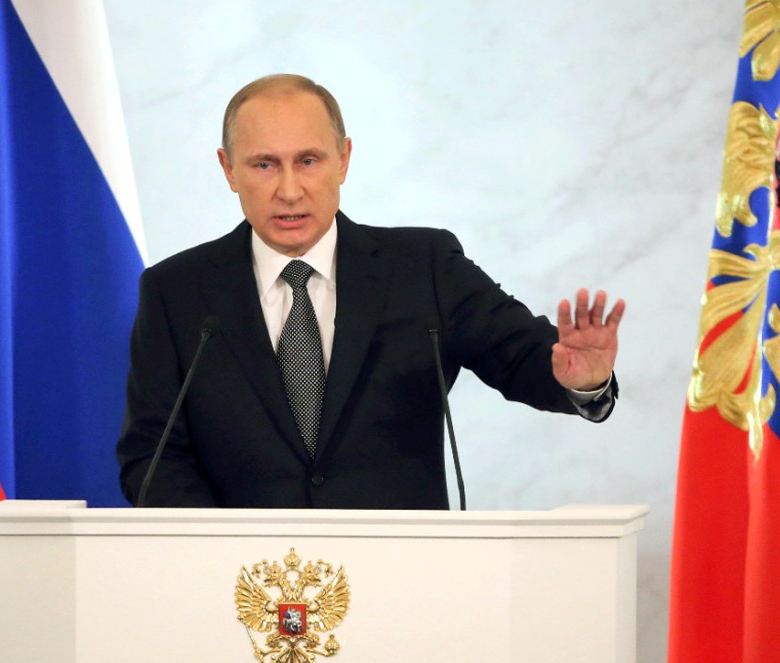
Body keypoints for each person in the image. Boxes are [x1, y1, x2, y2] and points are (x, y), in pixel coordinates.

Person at [115, 74, 625, 509]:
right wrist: (230, 554)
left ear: (344, 159)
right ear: (228, 169)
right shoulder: (175, 293)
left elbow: (523, 357)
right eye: (264, 164)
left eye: (308, 160)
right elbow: (151, 460)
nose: (289, 190)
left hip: (401, 576)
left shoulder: (425, 268)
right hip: (246, 586)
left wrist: (585, 380)